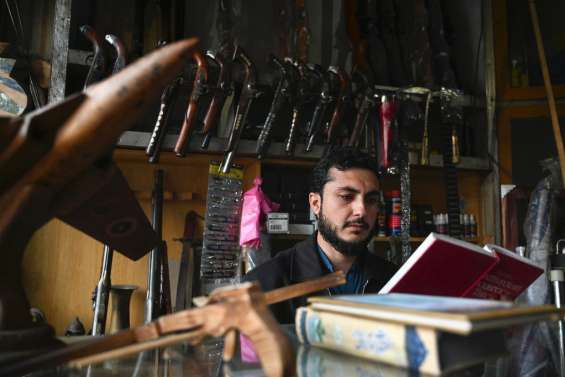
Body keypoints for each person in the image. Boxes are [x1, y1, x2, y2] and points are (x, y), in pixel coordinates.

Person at [243, 146, 398, 323]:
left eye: (371, 200)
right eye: (346, 197)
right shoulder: (264, 285)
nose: (361, 211)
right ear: (316, 203)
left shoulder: (395, 281)